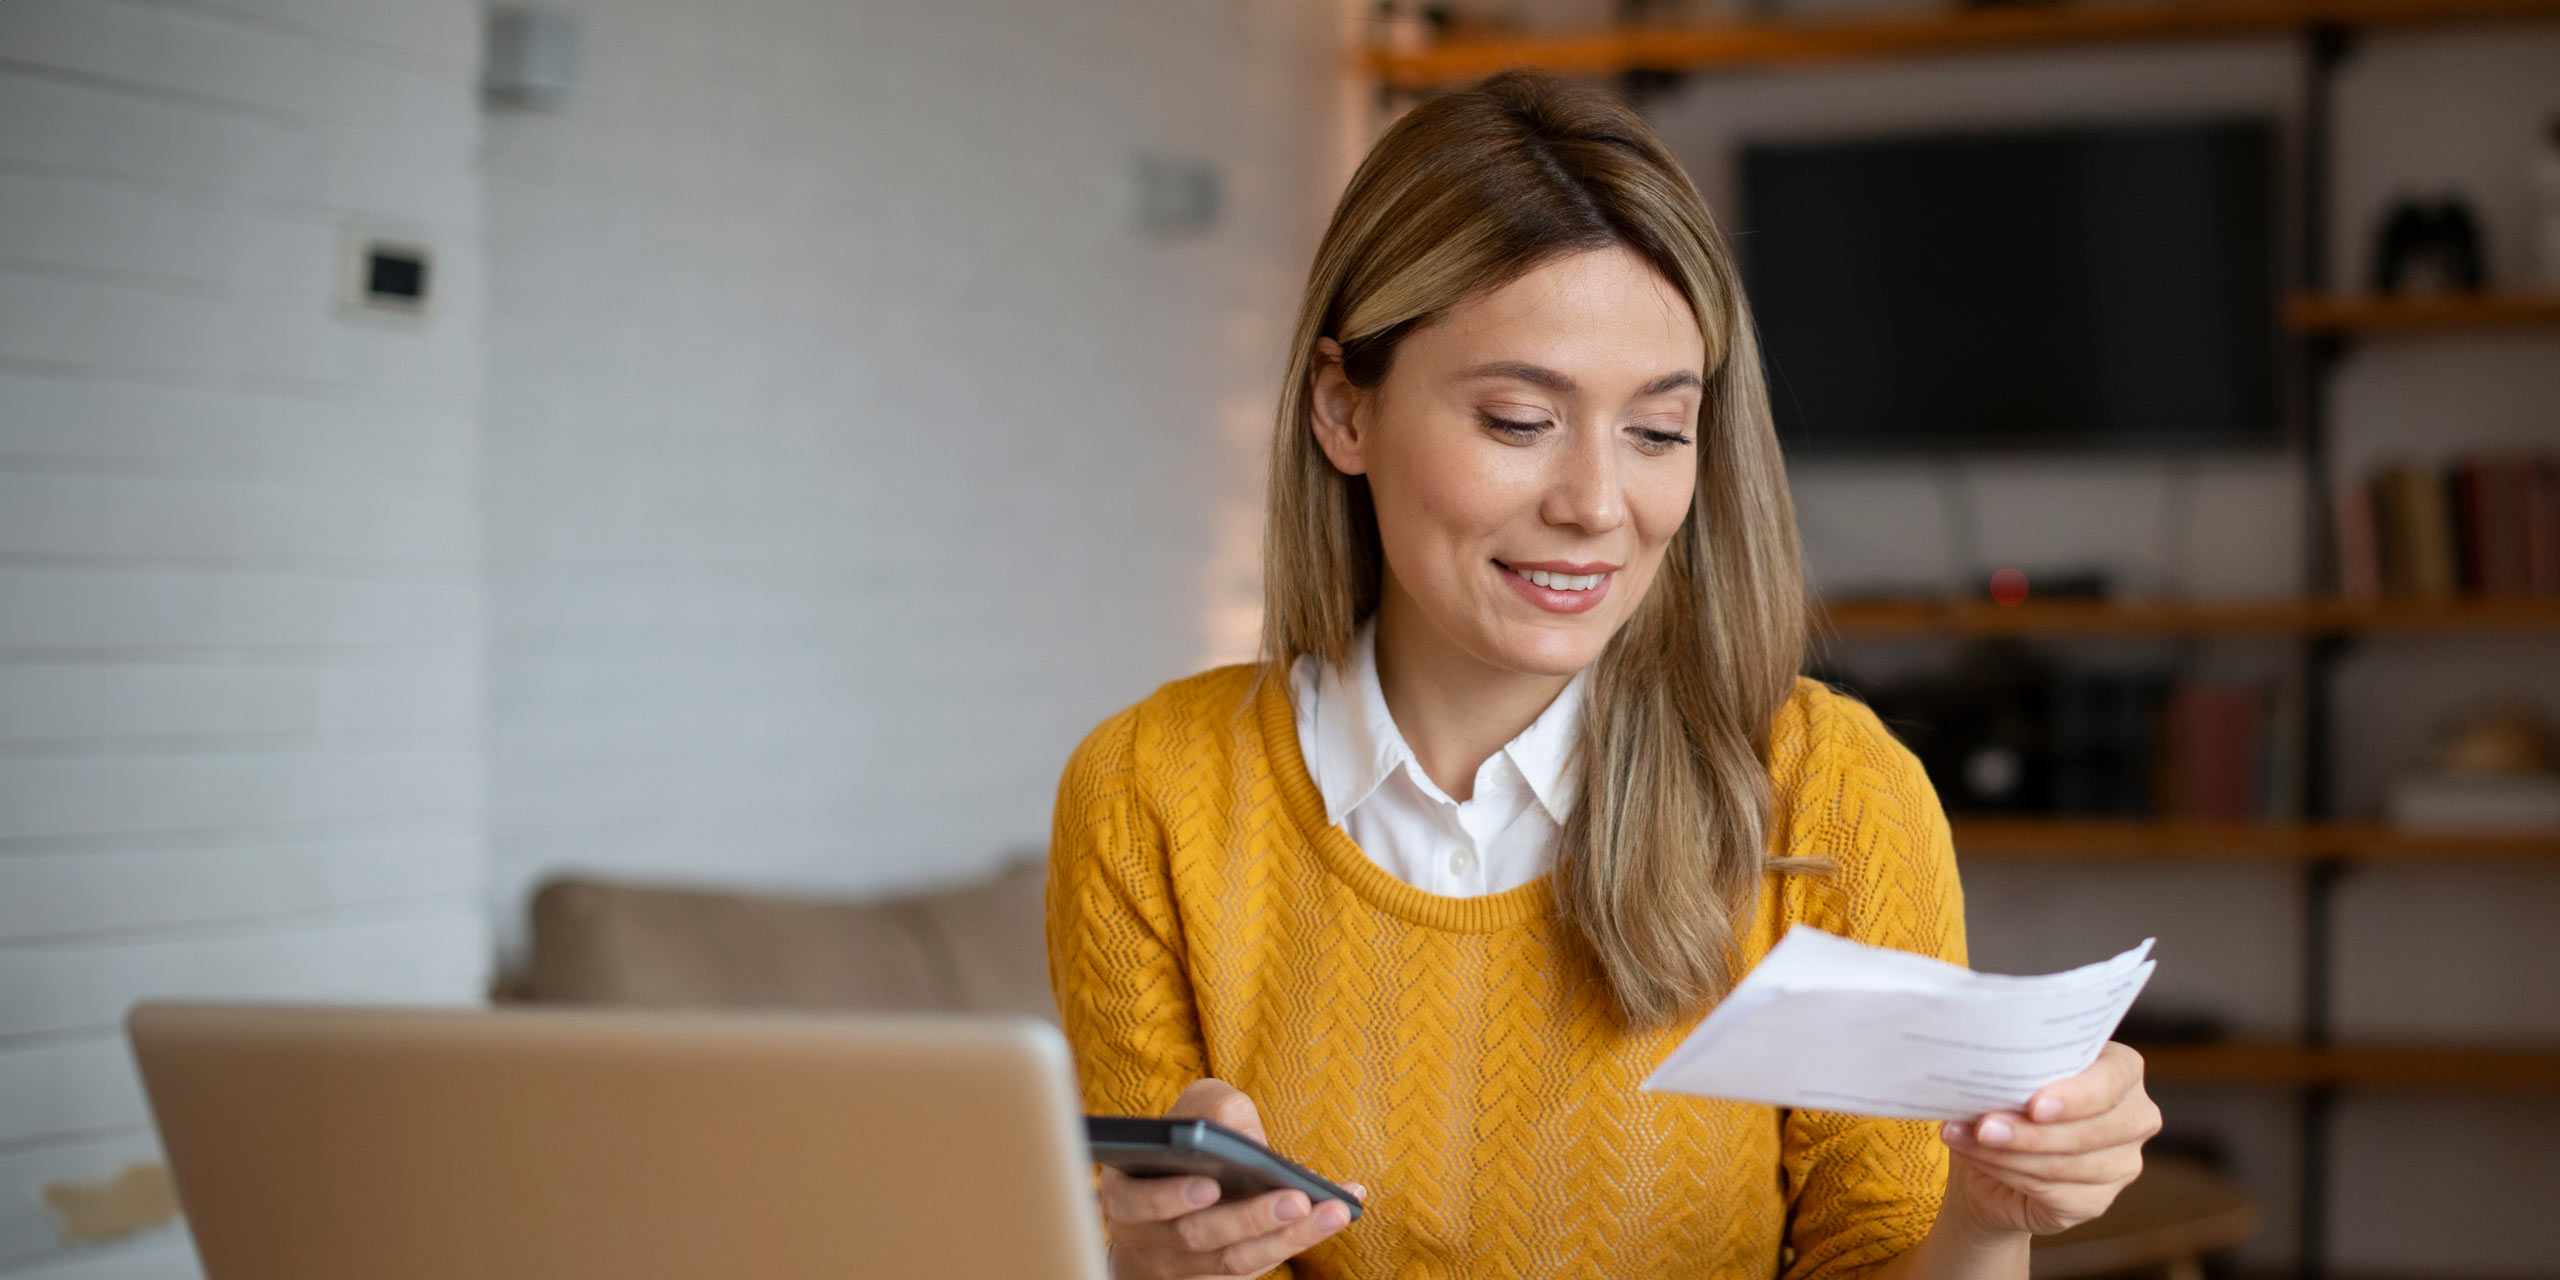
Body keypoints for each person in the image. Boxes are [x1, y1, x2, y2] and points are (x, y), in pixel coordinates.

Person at [1045, 70, 2158, 1280]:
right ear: (1341, 409)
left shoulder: (1831, 796)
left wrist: (1986, 1217)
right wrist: (1162, 1263)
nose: (1595, 506)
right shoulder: (1148, 793)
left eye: (1657, 431)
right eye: (1520, 420)